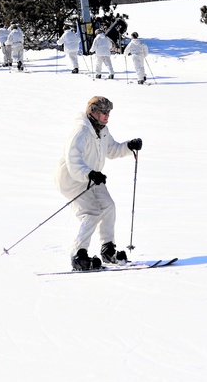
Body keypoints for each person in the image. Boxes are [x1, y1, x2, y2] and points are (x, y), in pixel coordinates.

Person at [54, 96, 143, 271]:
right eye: (103, 112)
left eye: (108, 112)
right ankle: (78, 255)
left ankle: (108, 249)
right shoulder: (81, 131)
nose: (106, 115)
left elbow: (111, 149)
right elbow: (73, 160)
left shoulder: (102, 131)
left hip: (93, 177)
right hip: (72, 179)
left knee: (108, 206)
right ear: (92, 112)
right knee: (92, 213)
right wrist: (90, 174)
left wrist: (128, 146)